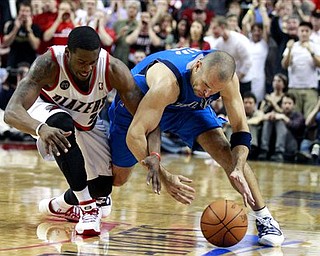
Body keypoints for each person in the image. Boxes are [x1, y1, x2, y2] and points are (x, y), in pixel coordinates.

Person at [4, 26, 194, 237]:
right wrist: (40, 128)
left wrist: (155, 156)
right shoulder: (48, 63)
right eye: (81, 62)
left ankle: (60, 204)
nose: (87, 68)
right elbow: (11, 112)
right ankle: (87, 209)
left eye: (92, 62)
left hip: (87, 124)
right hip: (47, 114)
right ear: (68, 54)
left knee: (102, 188)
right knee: (62, 124)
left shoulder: (112, 69)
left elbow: (149, 118)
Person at [108, 47, 284, 247]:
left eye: (213, 92)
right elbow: (135, 135)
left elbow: (241, 130)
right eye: (206, 85)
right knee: (117, 179)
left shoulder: (224, 78)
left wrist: (237, 167)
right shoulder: (167, 81)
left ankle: (265, 218)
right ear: (198, 66)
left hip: (187, 108)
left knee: (226, 152)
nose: (207, 93)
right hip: (141, 102)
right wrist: (164, 176)